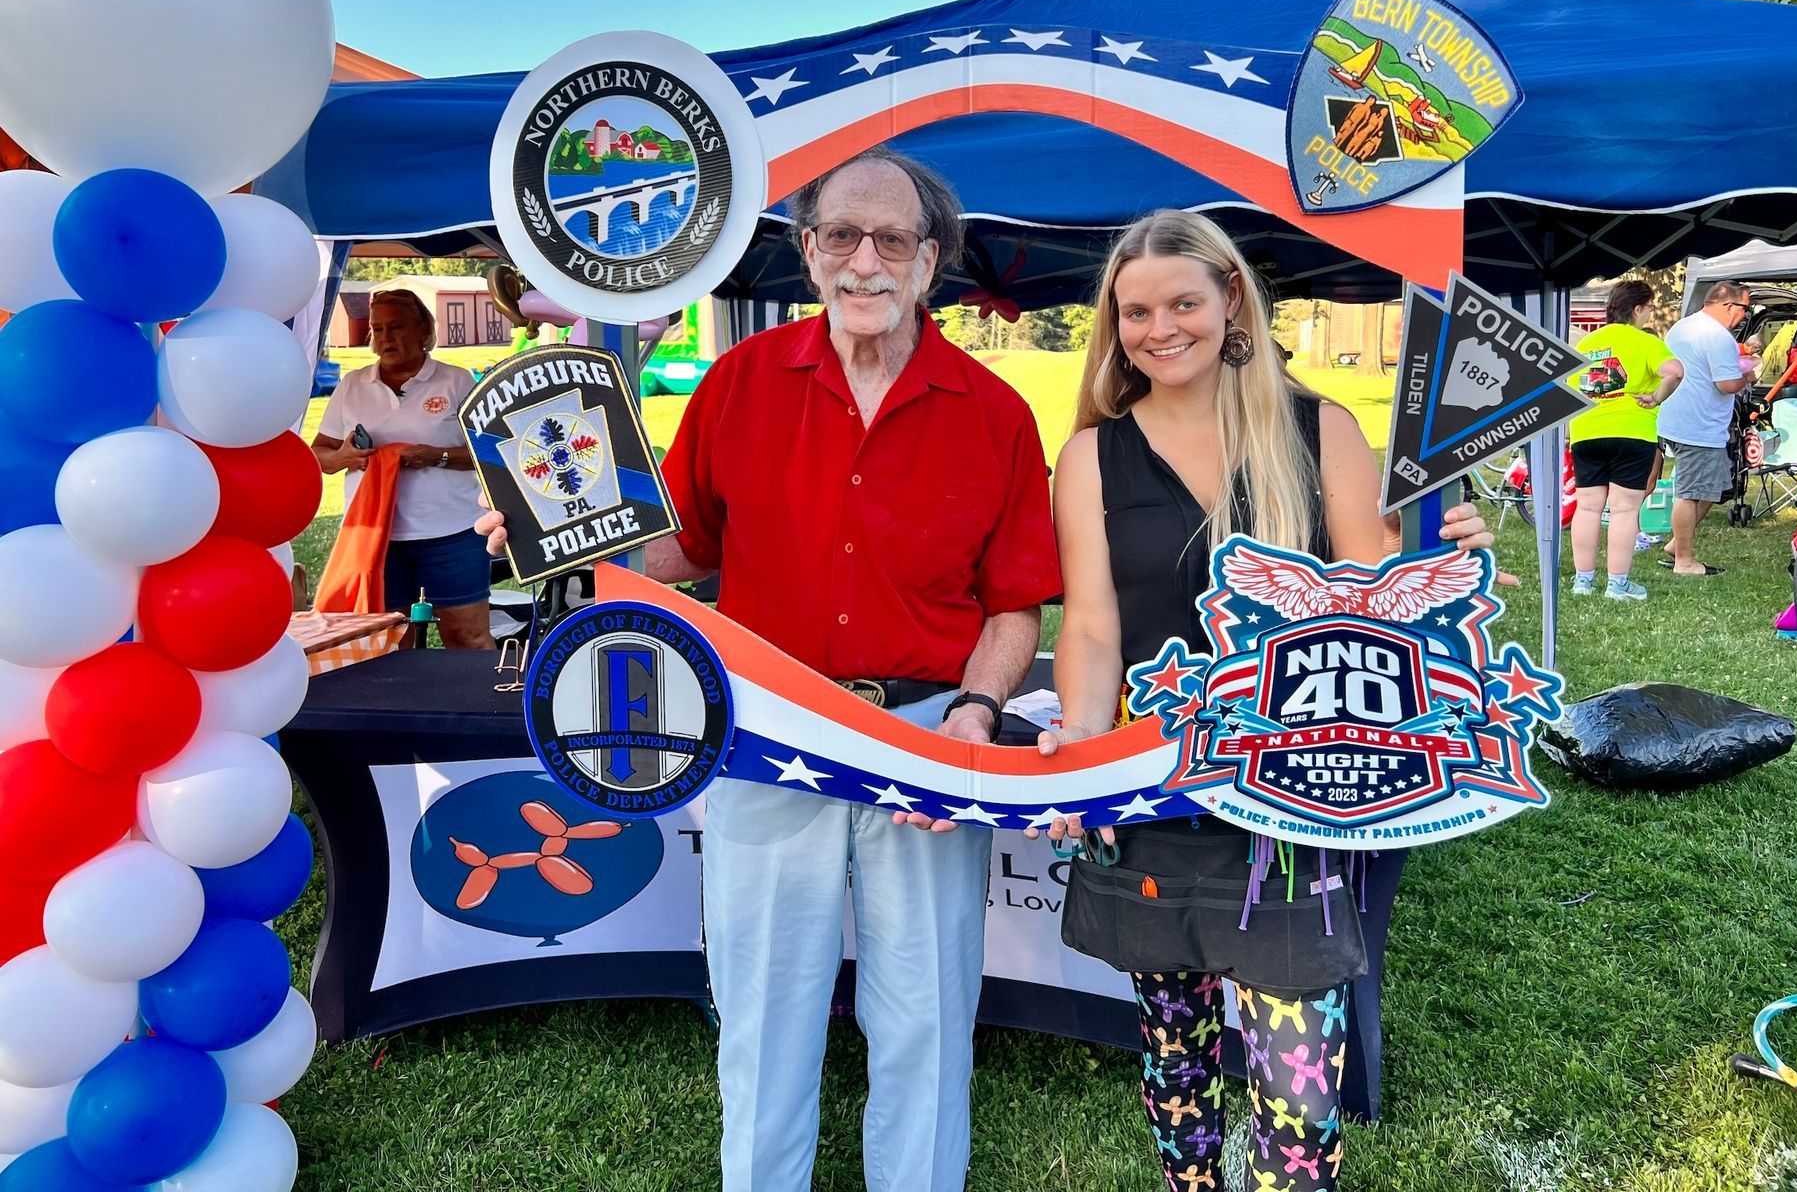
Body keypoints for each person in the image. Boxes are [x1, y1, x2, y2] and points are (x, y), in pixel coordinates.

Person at [482, 148, 1060, 1191]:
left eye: (893, 240)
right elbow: (687, 548)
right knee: (759, 1009)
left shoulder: (996, 412)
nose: (865, 261)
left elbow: (1016, 602)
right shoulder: (740, 381)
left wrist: (977, 710)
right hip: (765, 733)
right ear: (808, 251)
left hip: (925, 736)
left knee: (926, 1014)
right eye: (842, 235)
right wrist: (560, 539)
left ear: (931, 263)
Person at [1030, 210, 1496, 1192]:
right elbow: (1092, 627)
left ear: (1232, 298)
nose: (1161, 329)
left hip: (1296, 807)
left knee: (1301, 1105)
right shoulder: (1089, 458)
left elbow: (1381, 605)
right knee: (1177, 1062)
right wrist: (1080, 743)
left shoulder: (1318, 428)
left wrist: (1446, 564)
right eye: (1137, 311)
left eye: (1184, 303)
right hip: (1153, 801)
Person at [312, 288, 492, 648]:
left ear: (424, 331)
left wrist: (436, 456)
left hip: (453, 533)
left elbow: (489, 452)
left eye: (396, 327)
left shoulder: (457, 381)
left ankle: (480, 704)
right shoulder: (353, 385)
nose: (385, 338)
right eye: (377, 330)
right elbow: (318, 454)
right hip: (377, 538)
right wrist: (346, 457)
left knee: (466, 636)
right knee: (389, 641)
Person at [1567, 279, 1682, 600]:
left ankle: (1583, 582)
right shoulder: (1644, 340)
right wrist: (1657, 397)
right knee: (1623, 510)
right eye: (1648, 309)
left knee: (1588, 508)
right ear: (1636, 309)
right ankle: (1618, 585)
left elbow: (1571, 387)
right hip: (1632, 431)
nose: (1649, 316)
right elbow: (1675, 370)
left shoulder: (1586, 343)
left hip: (1587, 430)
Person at [1655, 281, 1754, 577]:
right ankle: (1684, 561)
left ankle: (1676, 543)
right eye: (1745, 308)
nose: (1746, 315)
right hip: (1698, 424)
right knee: (1689, 492)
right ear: (1728, 306)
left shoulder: (1682, 327)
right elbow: (1725, 384)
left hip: (1676, 418)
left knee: (1715, 485)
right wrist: (1746, 376)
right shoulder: (1718, 336)